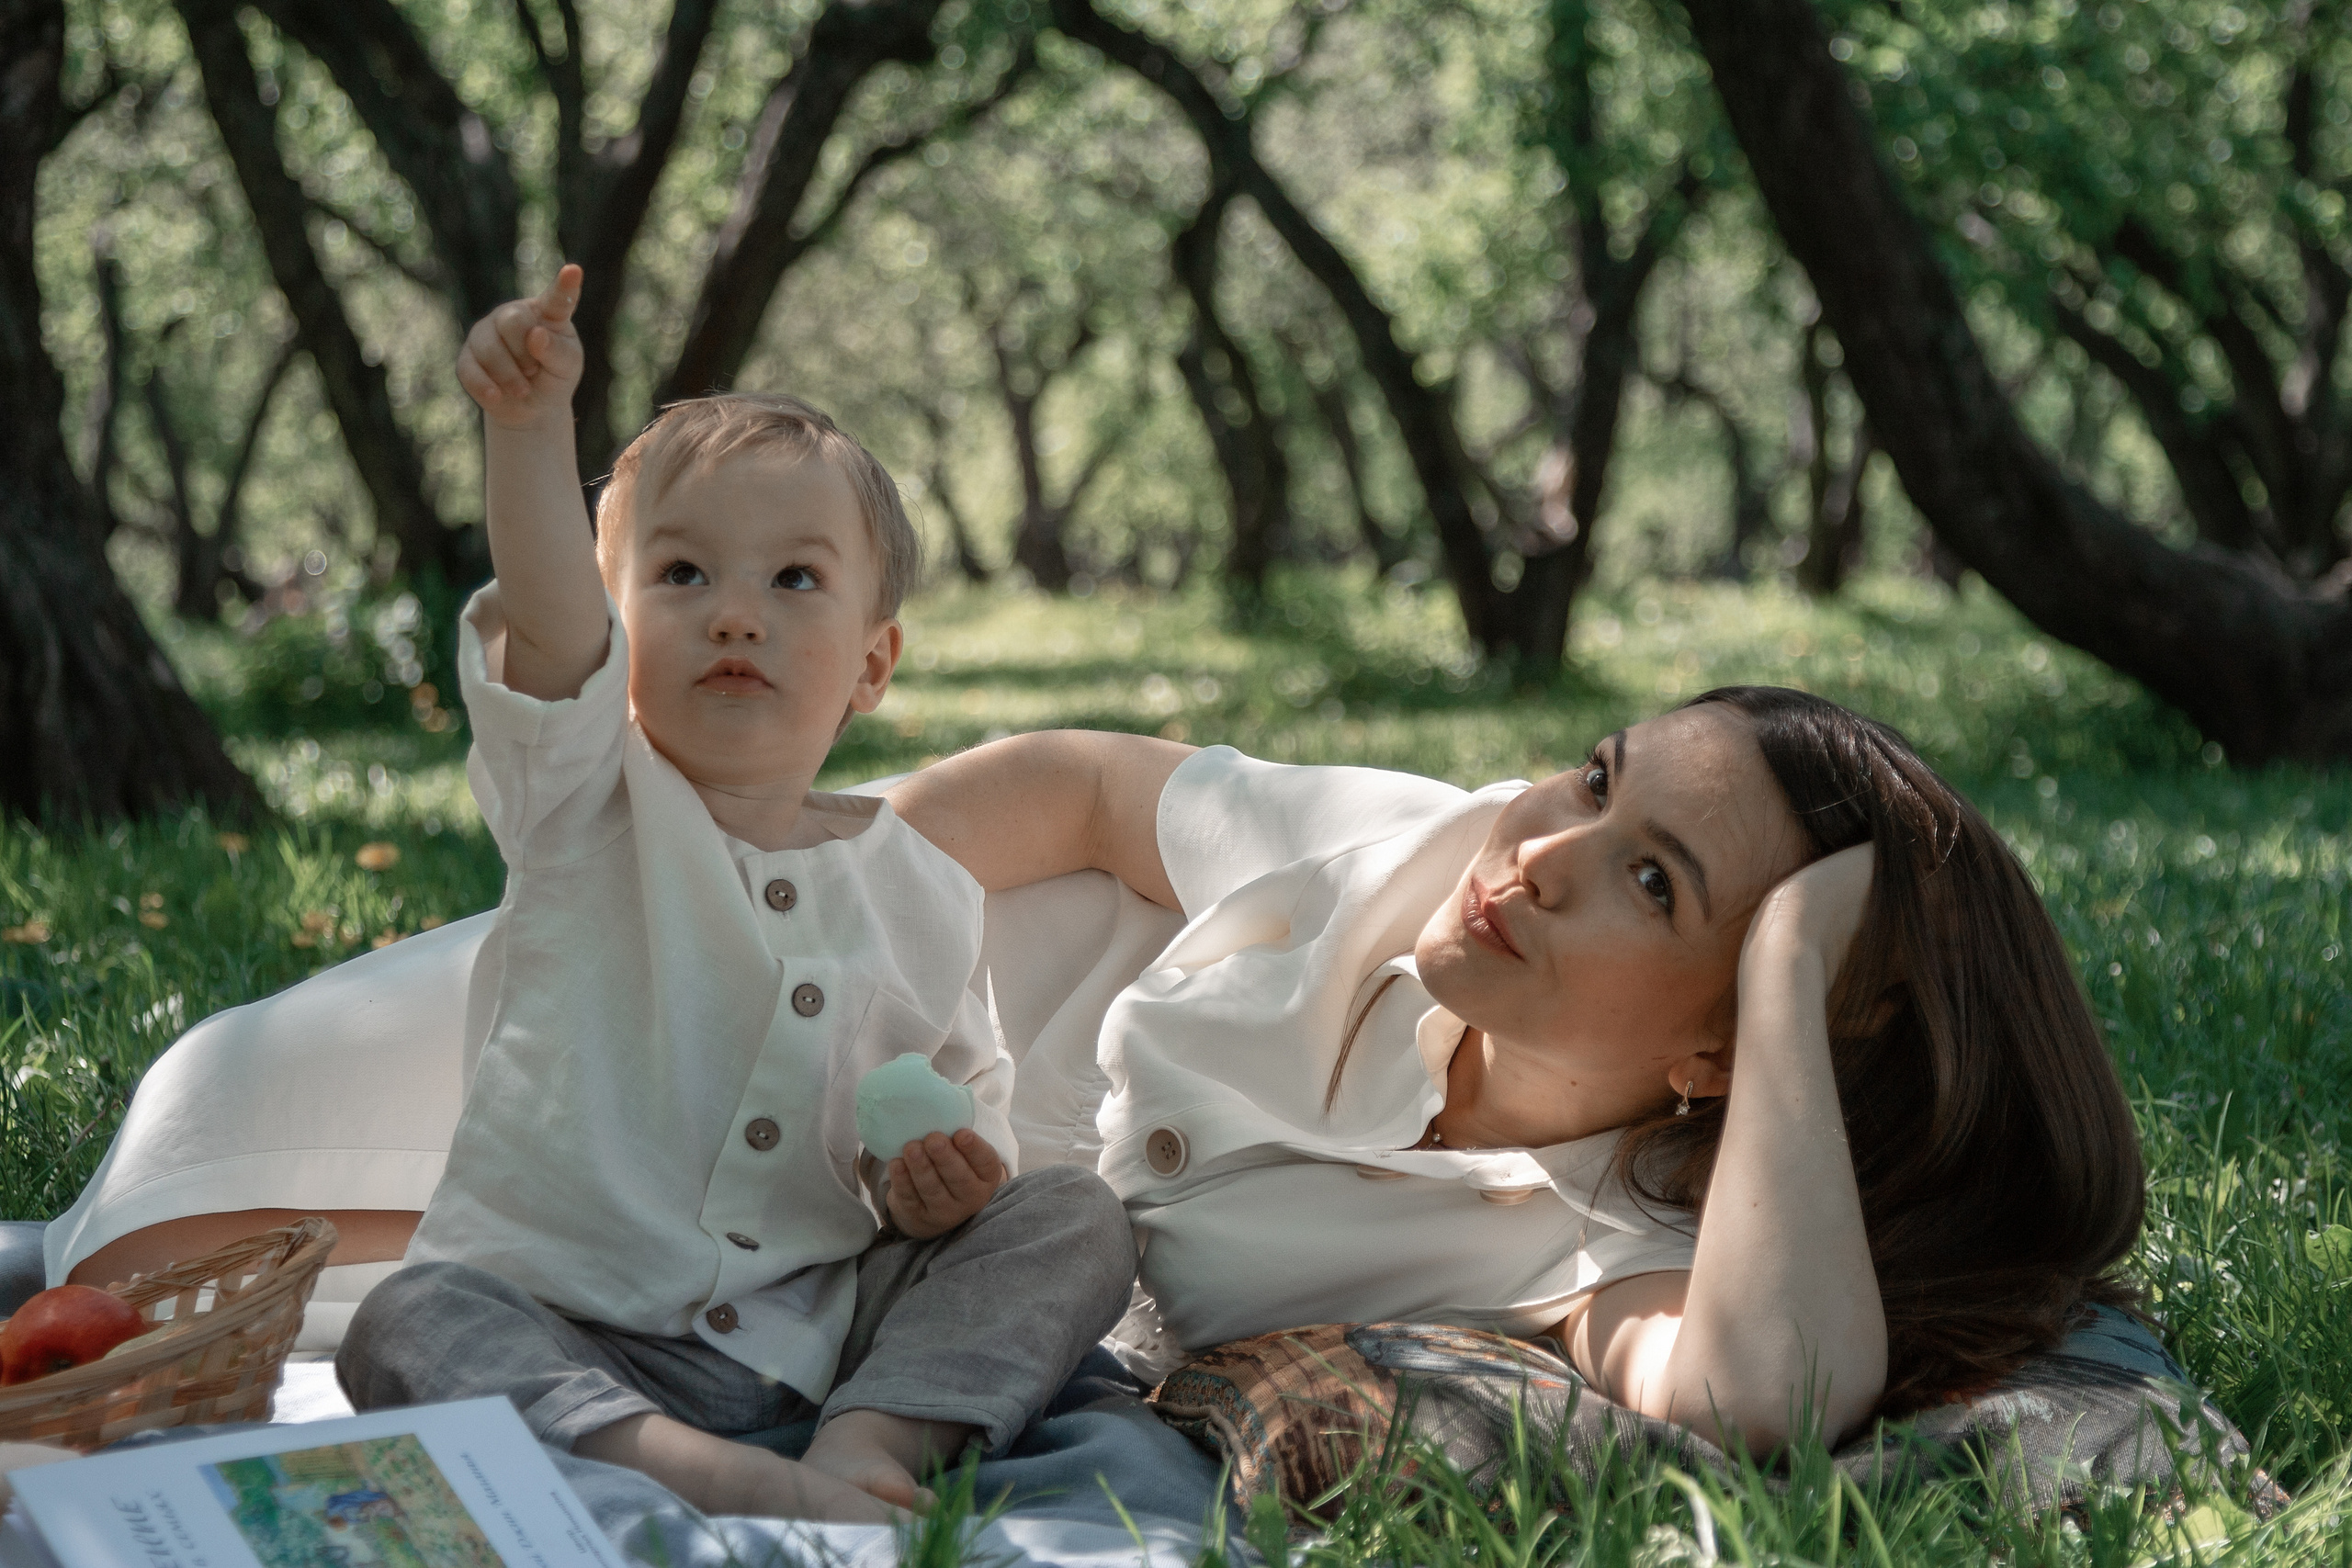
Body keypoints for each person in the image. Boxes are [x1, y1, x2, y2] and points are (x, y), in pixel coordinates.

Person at [333, 266, 1136, 1522]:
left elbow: (951, 1125)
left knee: (1074, 1217)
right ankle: (696, 1471)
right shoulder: (584, 802)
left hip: (821, 1334)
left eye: (794, 580)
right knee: (408, 1318)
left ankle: (868, 1443)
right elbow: (547, 618)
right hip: (576, 1328)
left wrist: (941, 1186)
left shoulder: (922, 891)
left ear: (873, 662)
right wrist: (529, 427)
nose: (735, 618)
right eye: (682, 575)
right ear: (616, 629)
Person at [886, 688, 2145, 1449]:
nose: (1544, 852)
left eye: (1652, 881)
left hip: (870, 1246)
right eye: (1598, 778)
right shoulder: (1411, 848)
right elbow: (1087, 790)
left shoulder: (1601, 1250)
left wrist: (1791, 962)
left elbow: (1771, 1395)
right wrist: (813, 893)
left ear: (1726, 1047)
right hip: (876, 965)